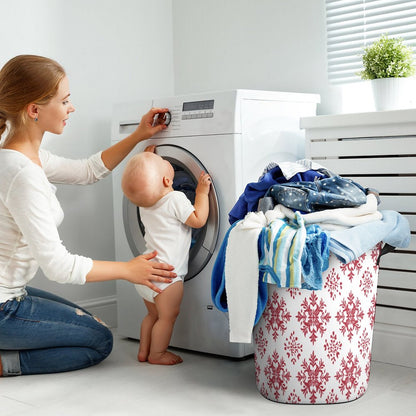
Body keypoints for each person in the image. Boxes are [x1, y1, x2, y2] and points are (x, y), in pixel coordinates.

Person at [0, 54, 177, 376]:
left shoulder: (22, 155)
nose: (72, 108)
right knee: (98, 340)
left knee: (90, 322)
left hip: (10, 292)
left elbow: (88, 171)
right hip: (3, 306)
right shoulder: (21, 173)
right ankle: (5, 362)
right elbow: (58, 266)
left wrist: (139, 135)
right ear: (34, 110)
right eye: (65, 101)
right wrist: (129, 270)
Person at [121, 148, 211, 365]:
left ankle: (143, 351)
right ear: (167, 180)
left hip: (147, 271)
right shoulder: (176, 198)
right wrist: (200, 193)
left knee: (152, 316)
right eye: (162, 161)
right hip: (167, 276)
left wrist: (147, 159)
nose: (164, 159)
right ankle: (157, 354)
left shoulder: (144, 203)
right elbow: (198, 220)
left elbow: (145, 184)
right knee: (167, 318)